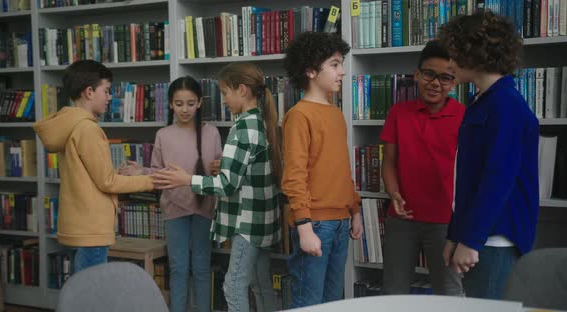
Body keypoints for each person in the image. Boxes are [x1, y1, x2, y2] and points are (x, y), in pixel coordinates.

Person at [151, 62, 282, 312]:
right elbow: (251, 170)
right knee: (260, 283)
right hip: (261, 222)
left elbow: (225, 184)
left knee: (232, 286)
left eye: (224, 92)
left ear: (241, 90)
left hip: (247, 225)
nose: (223, 100)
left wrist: (186, 179)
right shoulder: (260, 122)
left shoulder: (242, 127)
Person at [438, 12, 539, 299]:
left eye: (455, 54)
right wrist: (455, 234)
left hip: (496, 240)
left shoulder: (505, 104)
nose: (450, 63)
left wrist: (470, 239)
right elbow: (468, 179)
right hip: (480, 236)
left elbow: (498, 179)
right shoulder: (482, 101)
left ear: (476, 54)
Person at [33, 60, 154, 273]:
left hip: (77, 225)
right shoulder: (87, 129)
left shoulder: (69, 125)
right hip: (92, 228)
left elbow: (89, 177)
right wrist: (151, 180)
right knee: (90, 295)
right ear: (89, 92)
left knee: (80, 290)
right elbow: (107, 182)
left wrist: (116, 174)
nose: (110, 98)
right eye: (106, 91)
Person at [119, 76, 222, 312]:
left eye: (189, 103)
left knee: (201, 267)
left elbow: (218, 172)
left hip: (204, 208)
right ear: (170, 104)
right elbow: (158, 173)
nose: (184, 109)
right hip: (174, 208)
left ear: (199, 103)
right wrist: (141, 171)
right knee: (178, 267)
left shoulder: (212, 133)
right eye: (179, 104)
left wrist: (221, 166)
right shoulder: (163, 135)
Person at [281, 31, 363, 308]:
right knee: (309, 303)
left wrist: (355, 210)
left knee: (332, 303)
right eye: (335, 64)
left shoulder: (336, 114)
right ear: (311, 71)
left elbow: (341, 168)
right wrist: (304, 227)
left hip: (340, 223)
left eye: (341, 64)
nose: (342, 71)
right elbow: (294, 175)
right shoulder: (299, 115)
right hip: (314, 223)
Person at [379, 40, 464, 296]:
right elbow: (389, 162)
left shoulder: (464, 116)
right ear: (416, 74)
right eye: (429, 74)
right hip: (402, 219)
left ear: (454, 82)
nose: (436, 83)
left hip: (446, 222)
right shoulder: (398, 112)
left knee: (448, 291)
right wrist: (393, 193)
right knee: (394, 291)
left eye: (446, 78)